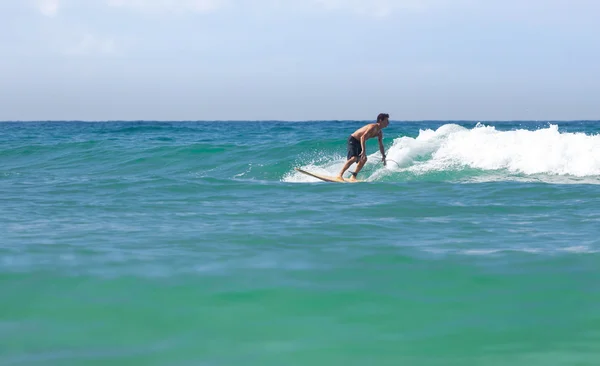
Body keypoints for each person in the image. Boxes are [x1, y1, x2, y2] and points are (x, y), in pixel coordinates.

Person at [337, 113, 389, 181]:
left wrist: (383, 156)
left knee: (364, 159)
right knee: (354, 158)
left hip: (359, 142)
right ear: (380, 120)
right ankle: (339, 175)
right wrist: (363, 151)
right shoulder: (372, 127)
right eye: (386, 120)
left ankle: (353, 176)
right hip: (353, 139)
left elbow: (381, 145)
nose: (388, 122)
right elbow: (362, 137)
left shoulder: (379, 133)